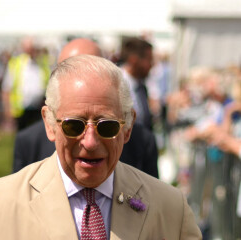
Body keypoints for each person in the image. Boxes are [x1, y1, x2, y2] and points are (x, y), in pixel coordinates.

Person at [0, 55, 240, 240]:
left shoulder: (168, 204)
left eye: (107, 126)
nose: (90, 141)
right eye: (74, 125)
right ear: (50, 124)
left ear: (128, 128)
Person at [13, 38, 159, 177]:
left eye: (108, 126)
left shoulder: (142, 141)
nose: (90, 142)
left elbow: (150, 196)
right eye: (71, 71)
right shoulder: (29, 142)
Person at [1, 36, 46, 131]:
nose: (31, 51)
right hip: (21, 110)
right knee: (22, 138)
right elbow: (6, 89)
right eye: (28, 49)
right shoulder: (15, 63)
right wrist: (7, 110)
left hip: (38, 109)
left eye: (33, 48)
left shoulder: (42, 64)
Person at [120, 37, 154, 131]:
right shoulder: (117, 85)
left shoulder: (141, 86)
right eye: (149, 60)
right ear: (133, 60)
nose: (151, 65)